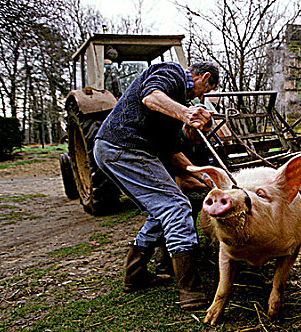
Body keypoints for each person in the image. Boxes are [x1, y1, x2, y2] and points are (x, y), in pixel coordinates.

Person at [93, 61, 219, 310]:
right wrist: (186, 113)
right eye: (206, 89)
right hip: (125, 147)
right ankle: (191, 292)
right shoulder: (170, 73)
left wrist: (206, 178)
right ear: (204, 77)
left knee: (159, 211)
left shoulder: (171, 113)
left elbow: (171, 153)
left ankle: (135, 275)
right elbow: (151, 96)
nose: (202, 96)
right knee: (176, 205)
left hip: (114, 149)